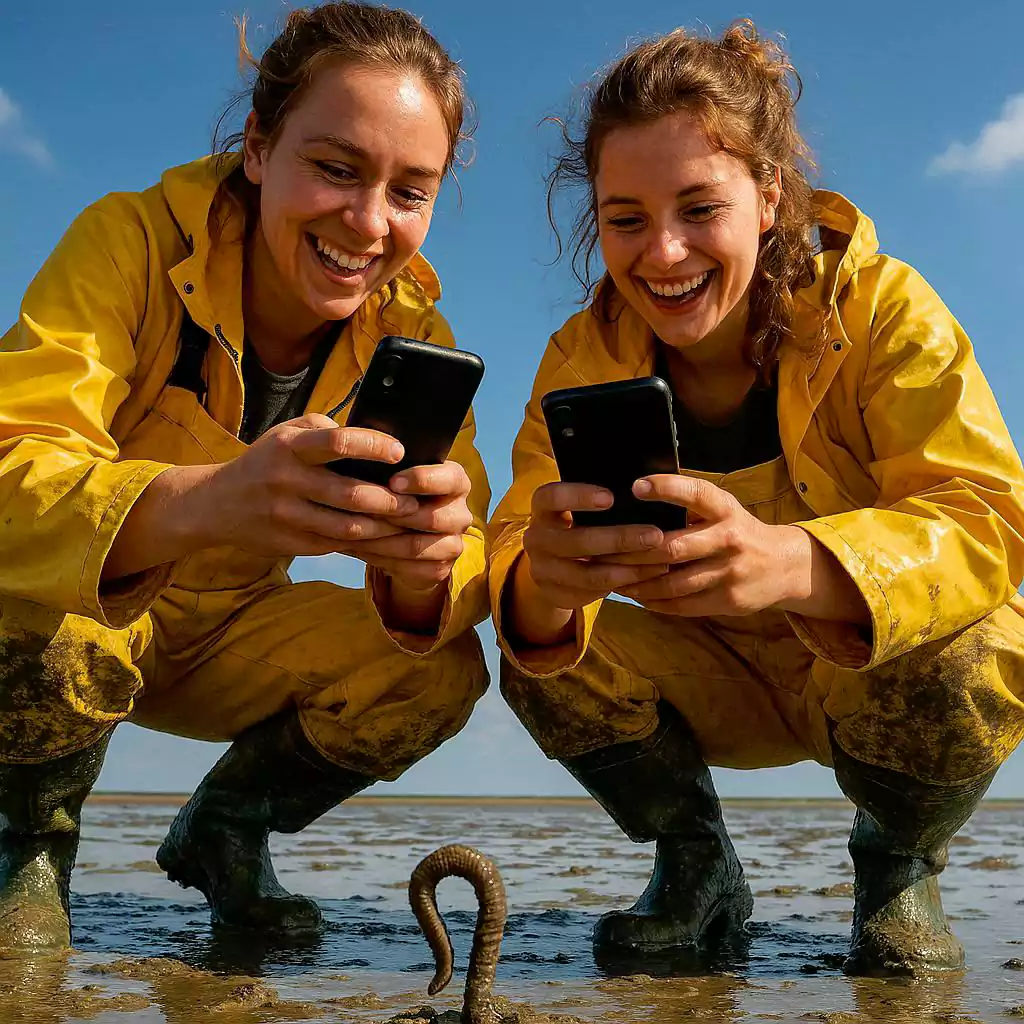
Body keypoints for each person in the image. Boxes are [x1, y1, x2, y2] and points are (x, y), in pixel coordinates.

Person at [489, 20, 1024, 976]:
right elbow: (510, 547)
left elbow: (986, 517)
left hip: (871, 672)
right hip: (706, 679)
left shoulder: (882, 309)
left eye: (700, 208)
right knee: (534, 642)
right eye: (625, 219)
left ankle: (898, 865)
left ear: (769, 196)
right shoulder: (580, 356)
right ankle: (694, 865)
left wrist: (797, 562)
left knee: (982, 645)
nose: (663, 253)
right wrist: (542, 583)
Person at [0, 1, 490, 950]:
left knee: (434, 670)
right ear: (258, 147)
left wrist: (428, 565)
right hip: (83, 620)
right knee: (39, 605)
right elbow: (13, 468)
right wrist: (208, 500)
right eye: (336, 168)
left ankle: (227, 830)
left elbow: (466, 555)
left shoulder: (413, 334)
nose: (368, 222)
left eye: (409, 191)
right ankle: (30, 853)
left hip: (228, 633)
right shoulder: (129, 241)